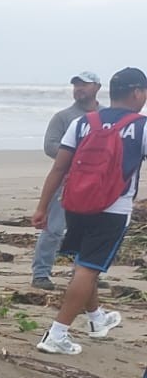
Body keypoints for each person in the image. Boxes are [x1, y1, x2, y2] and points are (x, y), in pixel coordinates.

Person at [30, 67, 147, 355]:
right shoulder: (141, 126)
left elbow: (59, 167)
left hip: (76, 203)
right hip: (113, 208)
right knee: (88, 268)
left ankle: (97, 319)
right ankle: (57, 333)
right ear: (137, 93)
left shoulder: (83, 123)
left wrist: (42, 207)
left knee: (85, 263)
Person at [33, 72, 103, 289]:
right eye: (76, 85)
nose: (79, 89)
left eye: (84, 85)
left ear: (97, 87)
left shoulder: (107, 115)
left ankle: (86, 274)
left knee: (92, 230)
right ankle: (41, 274)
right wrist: (79, 157)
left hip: (98, 183)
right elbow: (50, 146)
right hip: (66, 180)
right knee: (53, 228)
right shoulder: (63, 117)